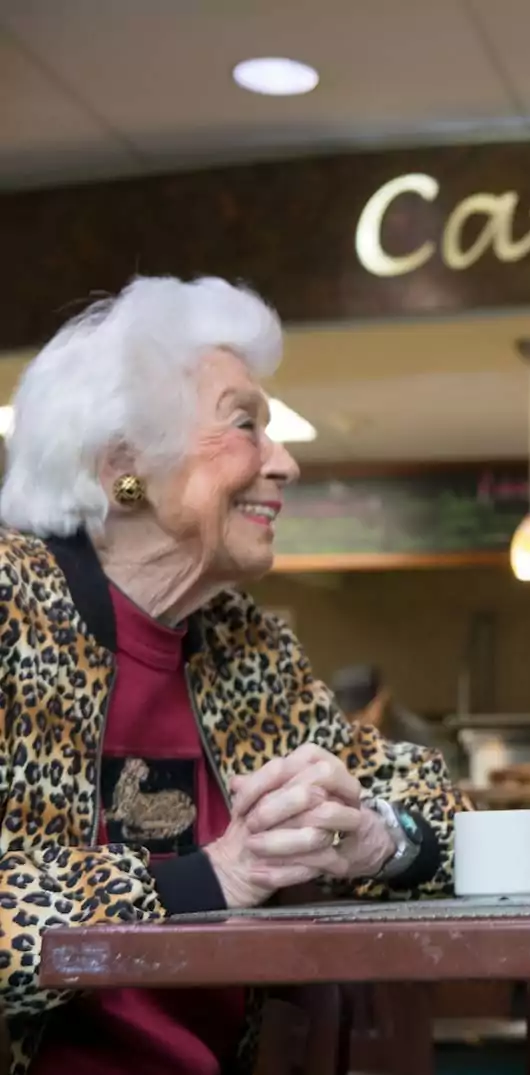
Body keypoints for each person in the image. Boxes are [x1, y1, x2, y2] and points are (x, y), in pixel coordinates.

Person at [0, 276, 471, 1075]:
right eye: (244, 424)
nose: (284, 462)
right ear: (127, 468)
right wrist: (214, 875)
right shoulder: (12, 608)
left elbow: (447, 815)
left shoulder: (245, 645)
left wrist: (375, 840)